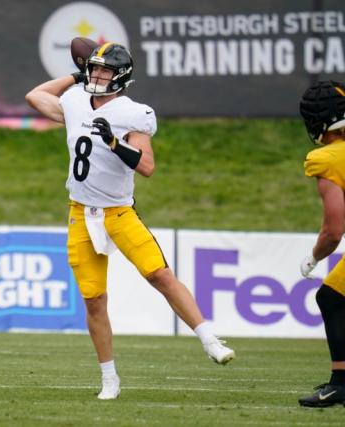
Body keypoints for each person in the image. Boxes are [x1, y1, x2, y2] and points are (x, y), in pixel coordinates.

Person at [25, 42, 235, 400]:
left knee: (160, 275)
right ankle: (109, 378)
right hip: (80, 212)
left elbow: (148, 167)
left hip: (119, 213)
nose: (95, 76)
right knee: (94, 300)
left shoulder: (134, 113)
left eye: (103, 70)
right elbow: (35, 96)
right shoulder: (75, 100)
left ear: (120, 77)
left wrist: (113, 142)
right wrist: (77, 75)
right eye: (92, 69)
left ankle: (210, 340)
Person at [298, 80, 345, 408]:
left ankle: (341, 383)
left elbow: (333, 230)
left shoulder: (327, 157)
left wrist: (314, 258)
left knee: (330, 297)